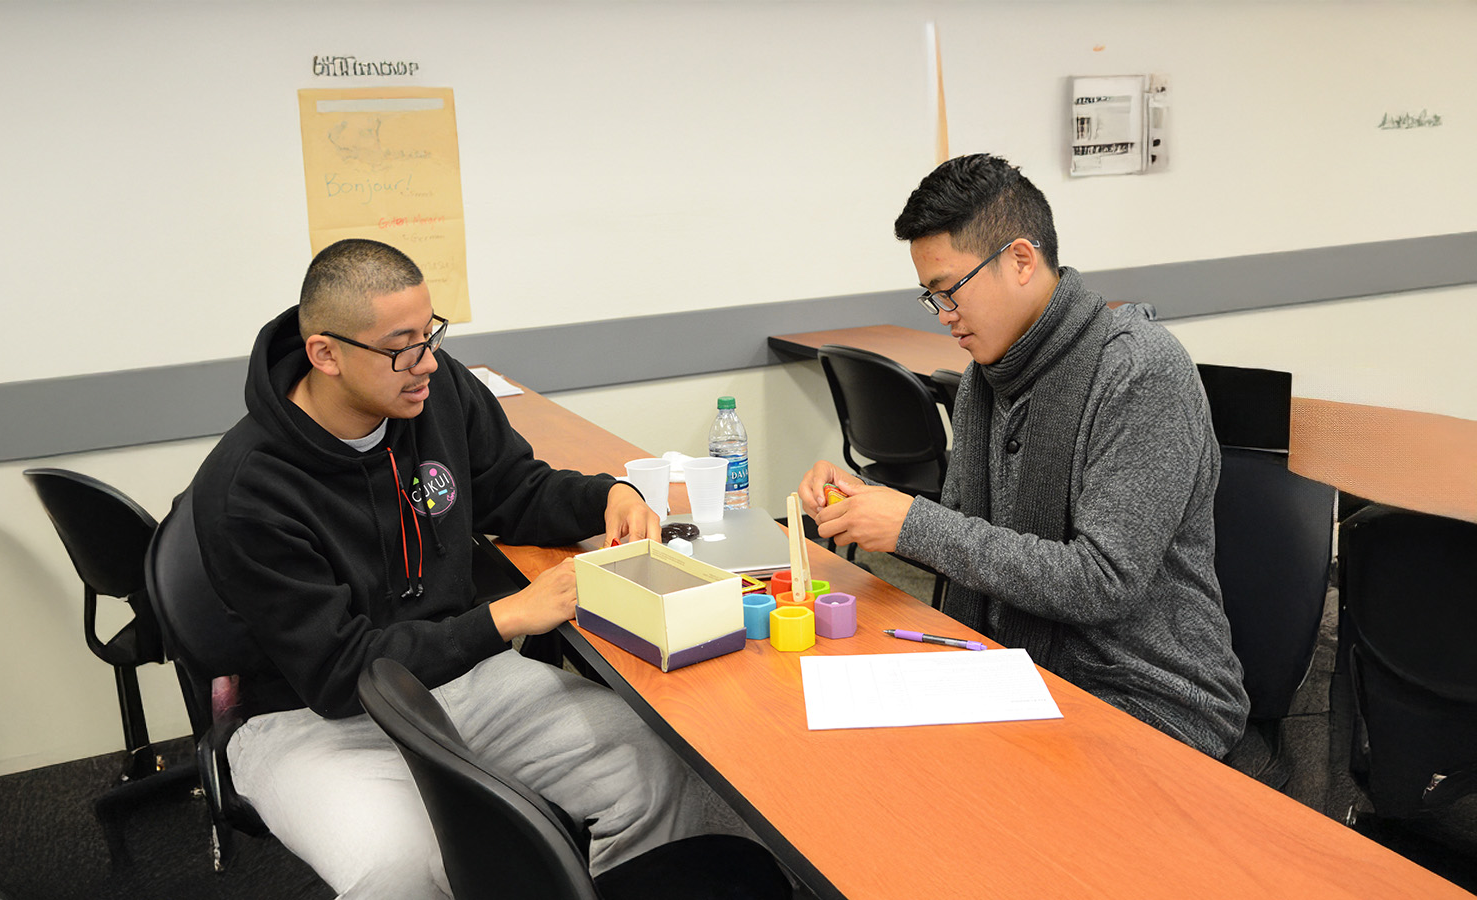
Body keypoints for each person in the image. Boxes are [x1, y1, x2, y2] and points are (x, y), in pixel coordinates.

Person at [188, 238, 712, 897]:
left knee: (655, 763)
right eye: (401, 346)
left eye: (431, 333)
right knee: (401, 868)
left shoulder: (433, 392)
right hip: (309, 721)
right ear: (325, 354)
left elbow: (513, 488)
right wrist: (505, 618)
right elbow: (336, 674)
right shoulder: (247, 490)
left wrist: (607, 494)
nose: (428, 363)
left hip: (458, 679)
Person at [798, 154, 1249, 758]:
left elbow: (1103, 582)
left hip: (1145, 691)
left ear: (1019, 259)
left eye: (951, 290)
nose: (947, 318)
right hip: (1015, 667)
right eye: (932, 298)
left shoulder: (1139, 371)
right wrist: (873, 507)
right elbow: (967, 539)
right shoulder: (988, 380)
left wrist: (911, 525)